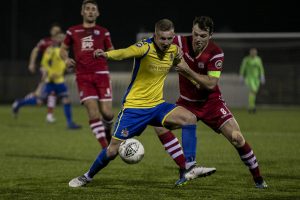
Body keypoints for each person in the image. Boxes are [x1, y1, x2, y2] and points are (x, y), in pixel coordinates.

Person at [68, 18, 216, 188]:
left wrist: (196, 81)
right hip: (134, 108)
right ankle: (87, 176)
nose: (166, 42)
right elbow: (125, 52)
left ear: (173, 36)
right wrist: (106, 54)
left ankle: (189, 167)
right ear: (155, 36)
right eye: (162, 38)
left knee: (189, 118)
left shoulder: (174, 50)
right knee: (112, 150)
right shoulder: (145, 47)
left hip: (157, 106)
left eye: (169, 38)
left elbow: (183, 67)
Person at [154, 16, 267, 189]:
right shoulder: (178, 41)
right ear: (192, 30)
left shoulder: (216, 53)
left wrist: (187, 70)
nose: (198, 39)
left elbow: (210, 84)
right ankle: (185, 169)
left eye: (203, 36)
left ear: (210, 35)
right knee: (158, 124)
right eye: (196, 34)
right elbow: (155, 42)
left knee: (237, 138)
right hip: (186, 103)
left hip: (211, 104)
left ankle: (259, 179)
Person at [60, 0, 115, 148]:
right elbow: (63, 49)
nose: (90, 11)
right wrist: (66, 59)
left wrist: (105, 53)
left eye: (93, 9)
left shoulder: (104, 31)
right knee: (93, 111)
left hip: (102, 74)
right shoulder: (73, 31)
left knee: (108, 113)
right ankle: (106, 148)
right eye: (88, 9)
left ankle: (107, 130)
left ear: (97, 13)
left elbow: (112, 50)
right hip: (83, 76)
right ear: (82, 12)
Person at [12, 23, 62, 122]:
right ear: (51, 31)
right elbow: (35, 50)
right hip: (46, 71)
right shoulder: (45, 42)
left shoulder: (60, 43)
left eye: (58, 30)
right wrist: (31, 63)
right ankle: (20, 103)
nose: (56, 32)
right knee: (41, 97)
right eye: (54, 30)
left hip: (55, 73)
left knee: (48, 95)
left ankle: (48, 115)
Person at [39, 32, 81, 129]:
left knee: (66, 100)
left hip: (60, 80)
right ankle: (19, 104)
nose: (62, 40)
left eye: (63, 38)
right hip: (51, 80)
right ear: (56, 39)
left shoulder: (64, 51)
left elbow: (63, 66)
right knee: (39, 101)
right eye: (60, 38)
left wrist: (69, 68)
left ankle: (70, 123)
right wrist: (50, 73)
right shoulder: (51, 50)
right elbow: (44, 63)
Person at [239, 48, 266, 113]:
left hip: (256, 79)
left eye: (255, 52)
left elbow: (261, 68)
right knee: (253, 91)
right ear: (250, 53)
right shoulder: (246, 59)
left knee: (253, 93)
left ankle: (250, 107)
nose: (253, 53)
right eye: (252, 52)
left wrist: (262, 76)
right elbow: (243, 67)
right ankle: (252, 107)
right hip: (249, 78)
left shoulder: (258, 59)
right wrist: (241, 76)